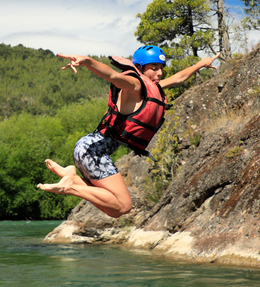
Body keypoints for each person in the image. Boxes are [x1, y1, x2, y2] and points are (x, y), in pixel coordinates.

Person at [37, 45, 220, 218]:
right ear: (140, 68)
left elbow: (178, 78)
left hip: (89, 148)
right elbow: (112, 75)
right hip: (94, 151)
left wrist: (201, 64)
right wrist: (87, 61)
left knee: (114, 210)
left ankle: (73, 178)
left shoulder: (150, 89)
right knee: (124, 206)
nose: (160, 72)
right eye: (154, 68)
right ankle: (70, 186)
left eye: (161, 68)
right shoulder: (134, 84)